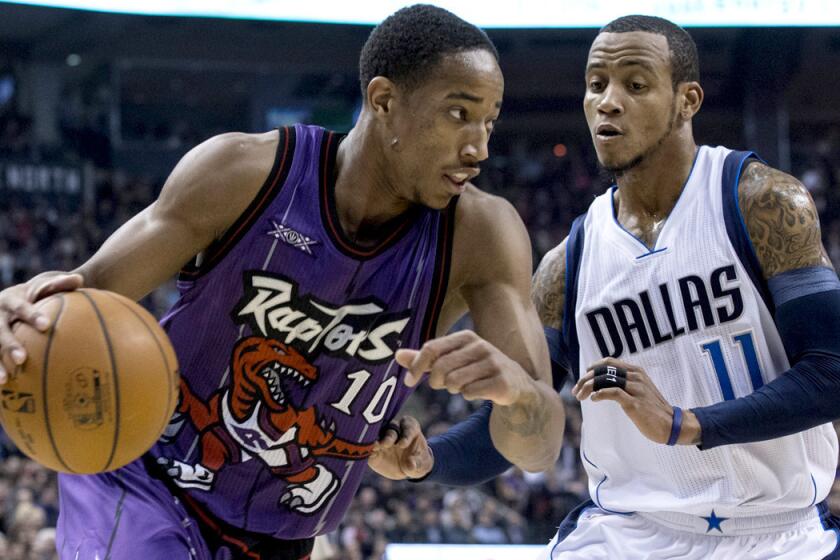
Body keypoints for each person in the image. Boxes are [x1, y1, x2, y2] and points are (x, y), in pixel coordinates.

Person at [0, 5, 565, 559]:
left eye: (490, 120)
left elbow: (541, 444)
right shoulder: (244, 174)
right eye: (459, 114)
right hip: (148, 479)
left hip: (284, 537)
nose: (480, 148)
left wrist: (516, 393)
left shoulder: (480, 234)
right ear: (384, 100)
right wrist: (16, 311)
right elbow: (85, 291)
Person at [397, 14, 840, 559]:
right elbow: (516, 418)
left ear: (688, 100)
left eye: (634, 84)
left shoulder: (761, 203)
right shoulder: (566, 266)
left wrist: (686, 425)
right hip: (629, 533)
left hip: (778, 533)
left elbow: (831, 370)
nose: (607, 101)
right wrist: (428, 460)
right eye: (595, 84)